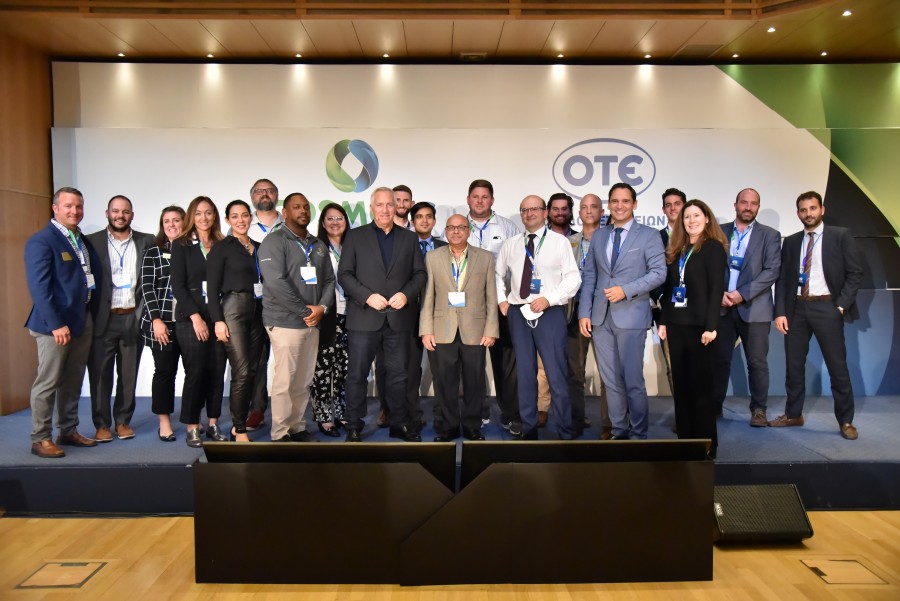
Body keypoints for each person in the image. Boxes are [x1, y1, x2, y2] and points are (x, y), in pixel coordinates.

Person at [769, 191, 863, 440]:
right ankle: (793, 414)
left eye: (812, 208)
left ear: (822, 209)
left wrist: (840, 306)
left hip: (827, 307)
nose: (808, 213)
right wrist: (780, 312)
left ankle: (846, 421)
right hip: (796, 310)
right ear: (798, 213)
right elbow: (783, 279)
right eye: (803, 210)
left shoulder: (840, 236)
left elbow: (855, 273)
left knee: (837, 367)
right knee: (794, 366)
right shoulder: (791, 242)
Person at [338, 186, 427, 442]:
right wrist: (367, 296)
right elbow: (344, 274)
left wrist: (406, 294)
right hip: (364, 317)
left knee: (399, 375)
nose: (385, 209)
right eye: (380, 204)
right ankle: (354, 425)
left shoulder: (409, 238)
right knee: (357, 375)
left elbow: (420, 274)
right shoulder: (355, 236)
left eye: (390, 204)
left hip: (398, 318)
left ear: (396, 207)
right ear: (371, 207)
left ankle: (398, 423)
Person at [579, 183, 666, 440]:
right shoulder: (599, 236)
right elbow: (590, 276)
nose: (619, 206)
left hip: (632, 315)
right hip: (600, 318)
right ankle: (619, 431)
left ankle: (639, 433)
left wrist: (625, 290)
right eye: (615, 201)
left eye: (625, 201)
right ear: (609, 204)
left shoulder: (649, 235)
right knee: (610, 380)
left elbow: (659, 273)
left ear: (634, 204)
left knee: (633, 380)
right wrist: (584, 312)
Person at [496, 195, 581, 440]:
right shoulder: (511, 244)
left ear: (545, 213)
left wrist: (549, 299)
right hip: (518, 312)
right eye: (524, 209)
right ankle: (529, 427)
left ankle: (564, 429)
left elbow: (573, 278)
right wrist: (502, 300)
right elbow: (497, 274)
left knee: (556, 372)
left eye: (534, 209)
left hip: (549, 311)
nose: (529, 213)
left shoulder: (559, 242)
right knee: (524, 373)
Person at [25, 187, 101, 458]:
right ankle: (40, 438)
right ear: (55, 208)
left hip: (81, 319)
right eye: (68, 206)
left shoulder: (79, 238)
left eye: (78, 206)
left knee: (72, 380)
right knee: (48, 382)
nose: (74, 211)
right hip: (54, 326)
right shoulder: (42, 241)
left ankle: (67, 430)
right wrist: (56, 323)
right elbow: (40, 288)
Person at [258, 192, 334, 443]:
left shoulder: (318, 244)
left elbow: (329, 280)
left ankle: (297, 427)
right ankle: (280, 433)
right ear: (285, 212)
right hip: (285, 322)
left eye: (305, 207)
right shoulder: (274, 241)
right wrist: (306, 311)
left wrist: (322, 307)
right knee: (285, 380)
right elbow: (275, 283)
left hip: (313, 322)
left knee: (303, 380)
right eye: (296, 207)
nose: (302, 211)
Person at [658, 200, 728, 458]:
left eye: (696, 215)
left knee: (700, 389)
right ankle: (685, 442)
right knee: (682, 387)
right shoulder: (677, 248)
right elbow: (669, 289)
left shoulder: (713, 248)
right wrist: (664, 320)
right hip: (677, 326)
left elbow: (716, 289)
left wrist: (711, 326)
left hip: (701, 329)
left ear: (707, 218)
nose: (691, 221)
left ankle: (707, 445)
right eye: (687, 217)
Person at [420, 214, 498, 441]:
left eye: (461, 227)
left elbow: (491, 296)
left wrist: (491, 329)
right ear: (445, 231)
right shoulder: (432, 257)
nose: (456, 231)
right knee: (445, 382)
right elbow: (428, 296)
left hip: (475, 330)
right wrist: (426, 329)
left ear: (468, 230)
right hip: (442, 328)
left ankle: (473, 426)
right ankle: (449, 426)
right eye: (451, 228)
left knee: (475, 381)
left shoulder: (485, 257)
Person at [86, 195, 155, 442]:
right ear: (107, 213)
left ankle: (123, 421)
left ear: (132, 215)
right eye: (115, 211)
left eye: (125, 212)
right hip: (103, 318)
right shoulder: (91, 241)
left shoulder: (147, 241)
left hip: (132, 317)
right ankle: (102, 424)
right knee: (100, 375)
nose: (120, 216)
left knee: (128, 374)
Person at [712, 188, 782, 426]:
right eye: (744, 202)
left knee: (757, 362)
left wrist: (741, 294)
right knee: (719, 360)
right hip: (722, 307)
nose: (748, 207)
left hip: (755, 308)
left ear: (758, 207)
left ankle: (759, 410)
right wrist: (718, 295)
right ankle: (714, 407)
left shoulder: (770, 235)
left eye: (753, 204)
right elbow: (709, 267)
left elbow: (771, 271)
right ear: (735, 205)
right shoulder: (718, 232)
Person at [460, 179, 521, 432]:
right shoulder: (457, 227)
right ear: (468, 199)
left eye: (485, 197)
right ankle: (477, 412)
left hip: (501, 304)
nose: (480, 201)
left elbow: (517, 266)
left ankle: (511, 414)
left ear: (492, 200)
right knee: (472, 364)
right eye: (475, 196)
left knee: (506, 364)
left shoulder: (508, 228)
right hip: (467, 307)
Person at [170, 196, 228, 448]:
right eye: (198, 213)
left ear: (215, 216)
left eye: (208, 213)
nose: (204, 218)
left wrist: (220, 319)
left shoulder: (223, 244)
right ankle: (192, 425)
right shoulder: (181, 245)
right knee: (196, 372)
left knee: (217, 371)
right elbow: (178, 286)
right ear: (191, 217)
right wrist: (196, 317)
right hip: (191, 319)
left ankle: (213, 423)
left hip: (219, 318)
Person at [208, 200, 265, 443]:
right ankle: (239, 428)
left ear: (251, 217)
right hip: (233, 309)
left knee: (252, 370)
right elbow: (212, 289)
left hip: (258, 310)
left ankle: (238, 425)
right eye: (235, 216)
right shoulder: (221, 248)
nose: (240, 220)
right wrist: (218, 321)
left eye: (244, 215)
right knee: (241, 370)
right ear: (227, 220)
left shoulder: (259, 248)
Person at [374, 186, 428, 428]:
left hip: (419, 310)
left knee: (412, 366)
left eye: (406, 200)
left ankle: (411, 410)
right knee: (386, 364)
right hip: (387, 311)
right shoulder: (376, 234)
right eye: (398, 200)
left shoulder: (420, 236)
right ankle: (387, 408)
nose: (401, 204)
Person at [139, 205, 185, 441]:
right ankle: (164, 421)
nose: (171, 225)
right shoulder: (153, 252)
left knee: (195, 372)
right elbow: (147, 289)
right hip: (162, 323)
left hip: (188, 322)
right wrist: (156, 320)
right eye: (167, 221)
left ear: (185, 222)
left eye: (176, 220)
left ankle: (192, 419)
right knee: (165, 371)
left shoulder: (194, 250)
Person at [567, 193, 611, 438]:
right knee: (574, 370)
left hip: (605, 310)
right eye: (584, 207)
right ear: (579, 213)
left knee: (608, 371)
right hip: (574, 312)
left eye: (594, 206)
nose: (589, 210)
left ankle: (609, 422)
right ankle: (576, 420)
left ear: (602, 212)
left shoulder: (611, 240)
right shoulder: (568, 242)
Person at [244, 178, 283, 432]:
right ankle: (257, 409)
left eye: (269, 190)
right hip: (255, 305)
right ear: (252, 197)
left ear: (277, 195)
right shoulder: (242, 226)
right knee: (257, 360)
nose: (264, 194)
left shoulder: (289, 224)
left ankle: (287, 411)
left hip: (285, 304)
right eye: (259, 191)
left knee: (287, 360)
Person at [309, 203, 350, 437]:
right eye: (330, 218)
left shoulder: (353, 246)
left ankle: (343, 412)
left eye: (339, 218)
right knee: (324, 369)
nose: (335, 222)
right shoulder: (315, 248)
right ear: (323, 223)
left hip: (352, 314)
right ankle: (324, 417)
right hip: (326, 315)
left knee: (346, 368)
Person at [651, 187, 686, 399]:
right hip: (667, 309)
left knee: (695, 363)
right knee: (673, 363)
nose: (672, 208)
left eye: (677, 204)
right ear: (663, 209)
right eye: (668, 205)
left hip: (694, 309)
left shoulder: (697, 235)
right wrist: (662, 298)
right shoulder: (655, 237)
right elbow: (649, 272)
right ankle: (681, 411)